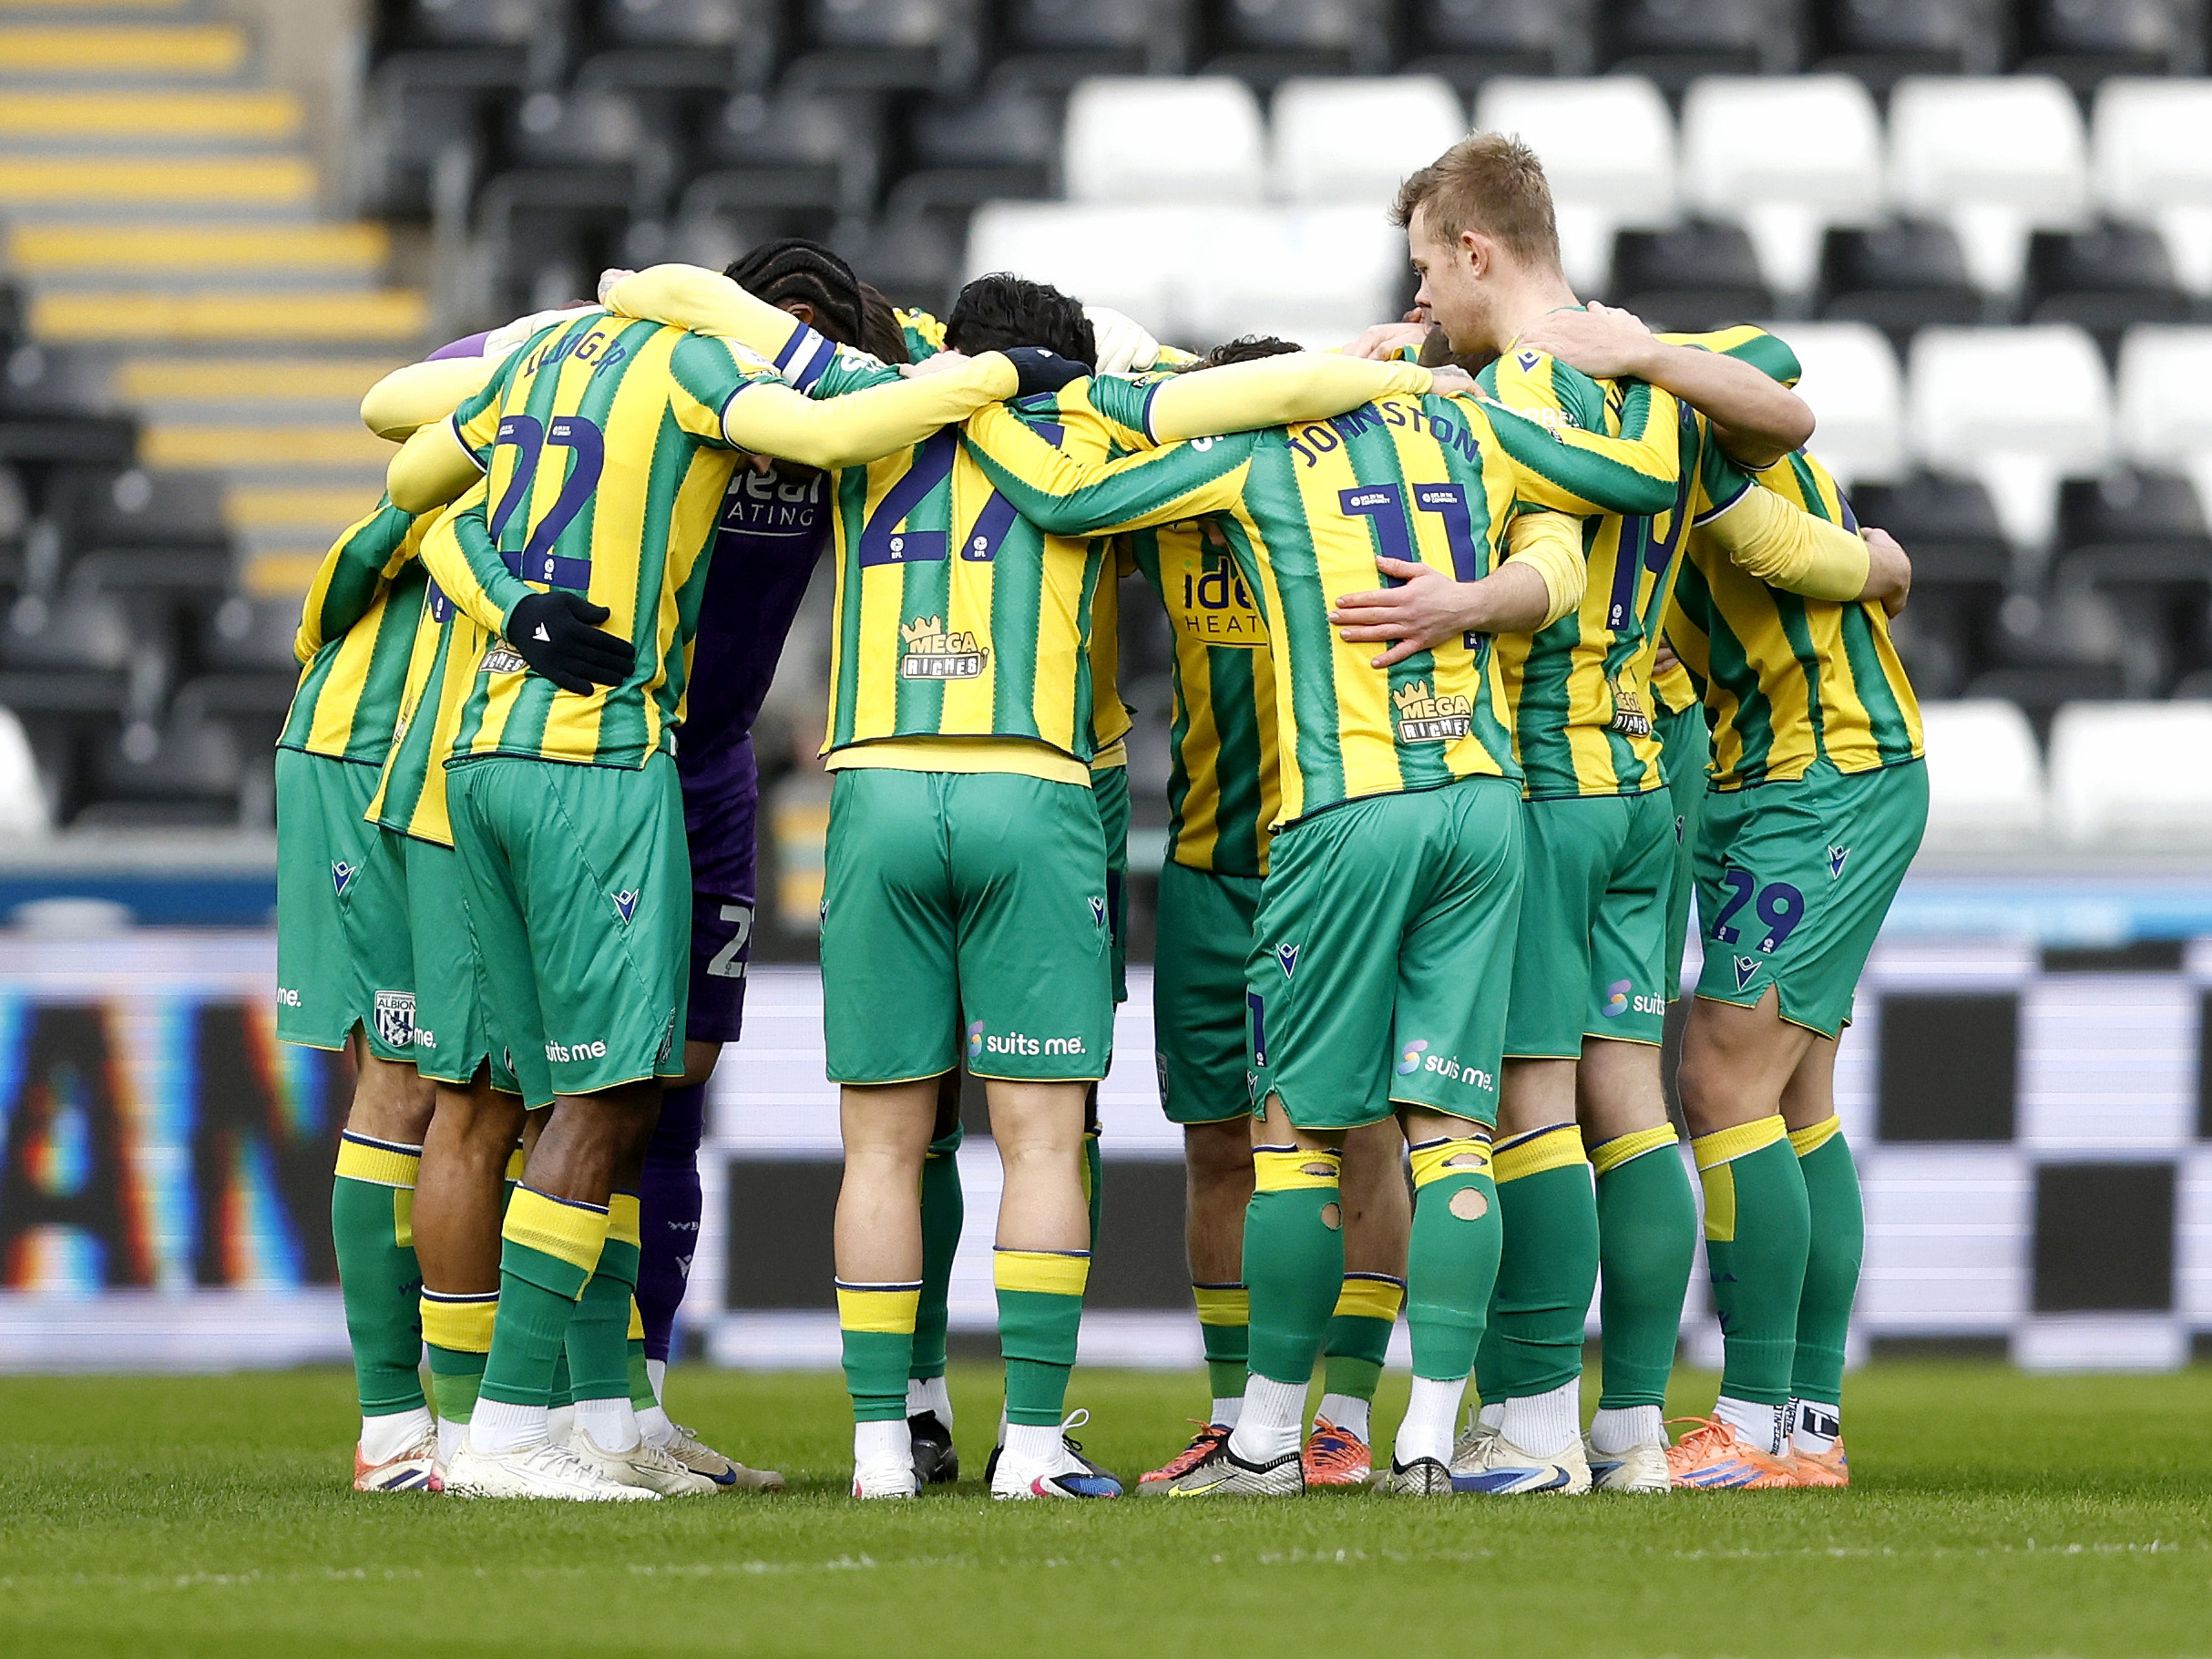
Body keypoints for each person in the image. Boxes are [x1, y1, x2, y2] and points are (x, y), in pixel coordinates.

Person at [600, 261, 1452, 1498]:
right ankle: (1038, 1446)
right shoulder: (1097, 416)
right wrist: (1388, 360)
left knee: (885, 1147)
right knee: (1046, 1135)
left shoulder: (871, 407)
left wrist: (633, 284)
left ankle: (884, 1446)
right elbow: (1246, 393)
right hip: (1038, 780)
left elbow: (728, 316)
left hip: (876, 783)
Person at [959, 349, 1647, 1495]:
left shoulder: (1248, 453)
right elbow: (1593, 500)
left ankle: (1272, 1437)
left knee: (1293, 1139)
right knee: (1448, 1132)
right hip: (1481, 803)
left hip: (1339, 812)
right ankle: (1431, 1433)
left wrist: (976, 395)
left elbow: (1066, 488)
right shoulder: (1459, 428)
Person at [381, 301, 1033, 1500]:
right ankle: (514, 1431)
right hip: (599, 764)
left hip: (478, 750)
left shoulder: (534, 363)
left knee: (553, 1106)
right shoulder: (687, 362)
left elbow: (416, 477)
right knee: (612, 1096)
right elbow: (833, 437)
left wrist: (511, 606)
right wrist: (988, 374)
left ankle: (588, 1425)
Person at [278, 495, 440, 1490]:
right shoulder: (454, 473)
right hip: (368, 763)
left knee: (477, 1084)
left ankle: (495, 1408)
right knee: (407, 1082)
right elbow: (317, 613)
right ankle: (391, 1424)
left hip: (435, 771)